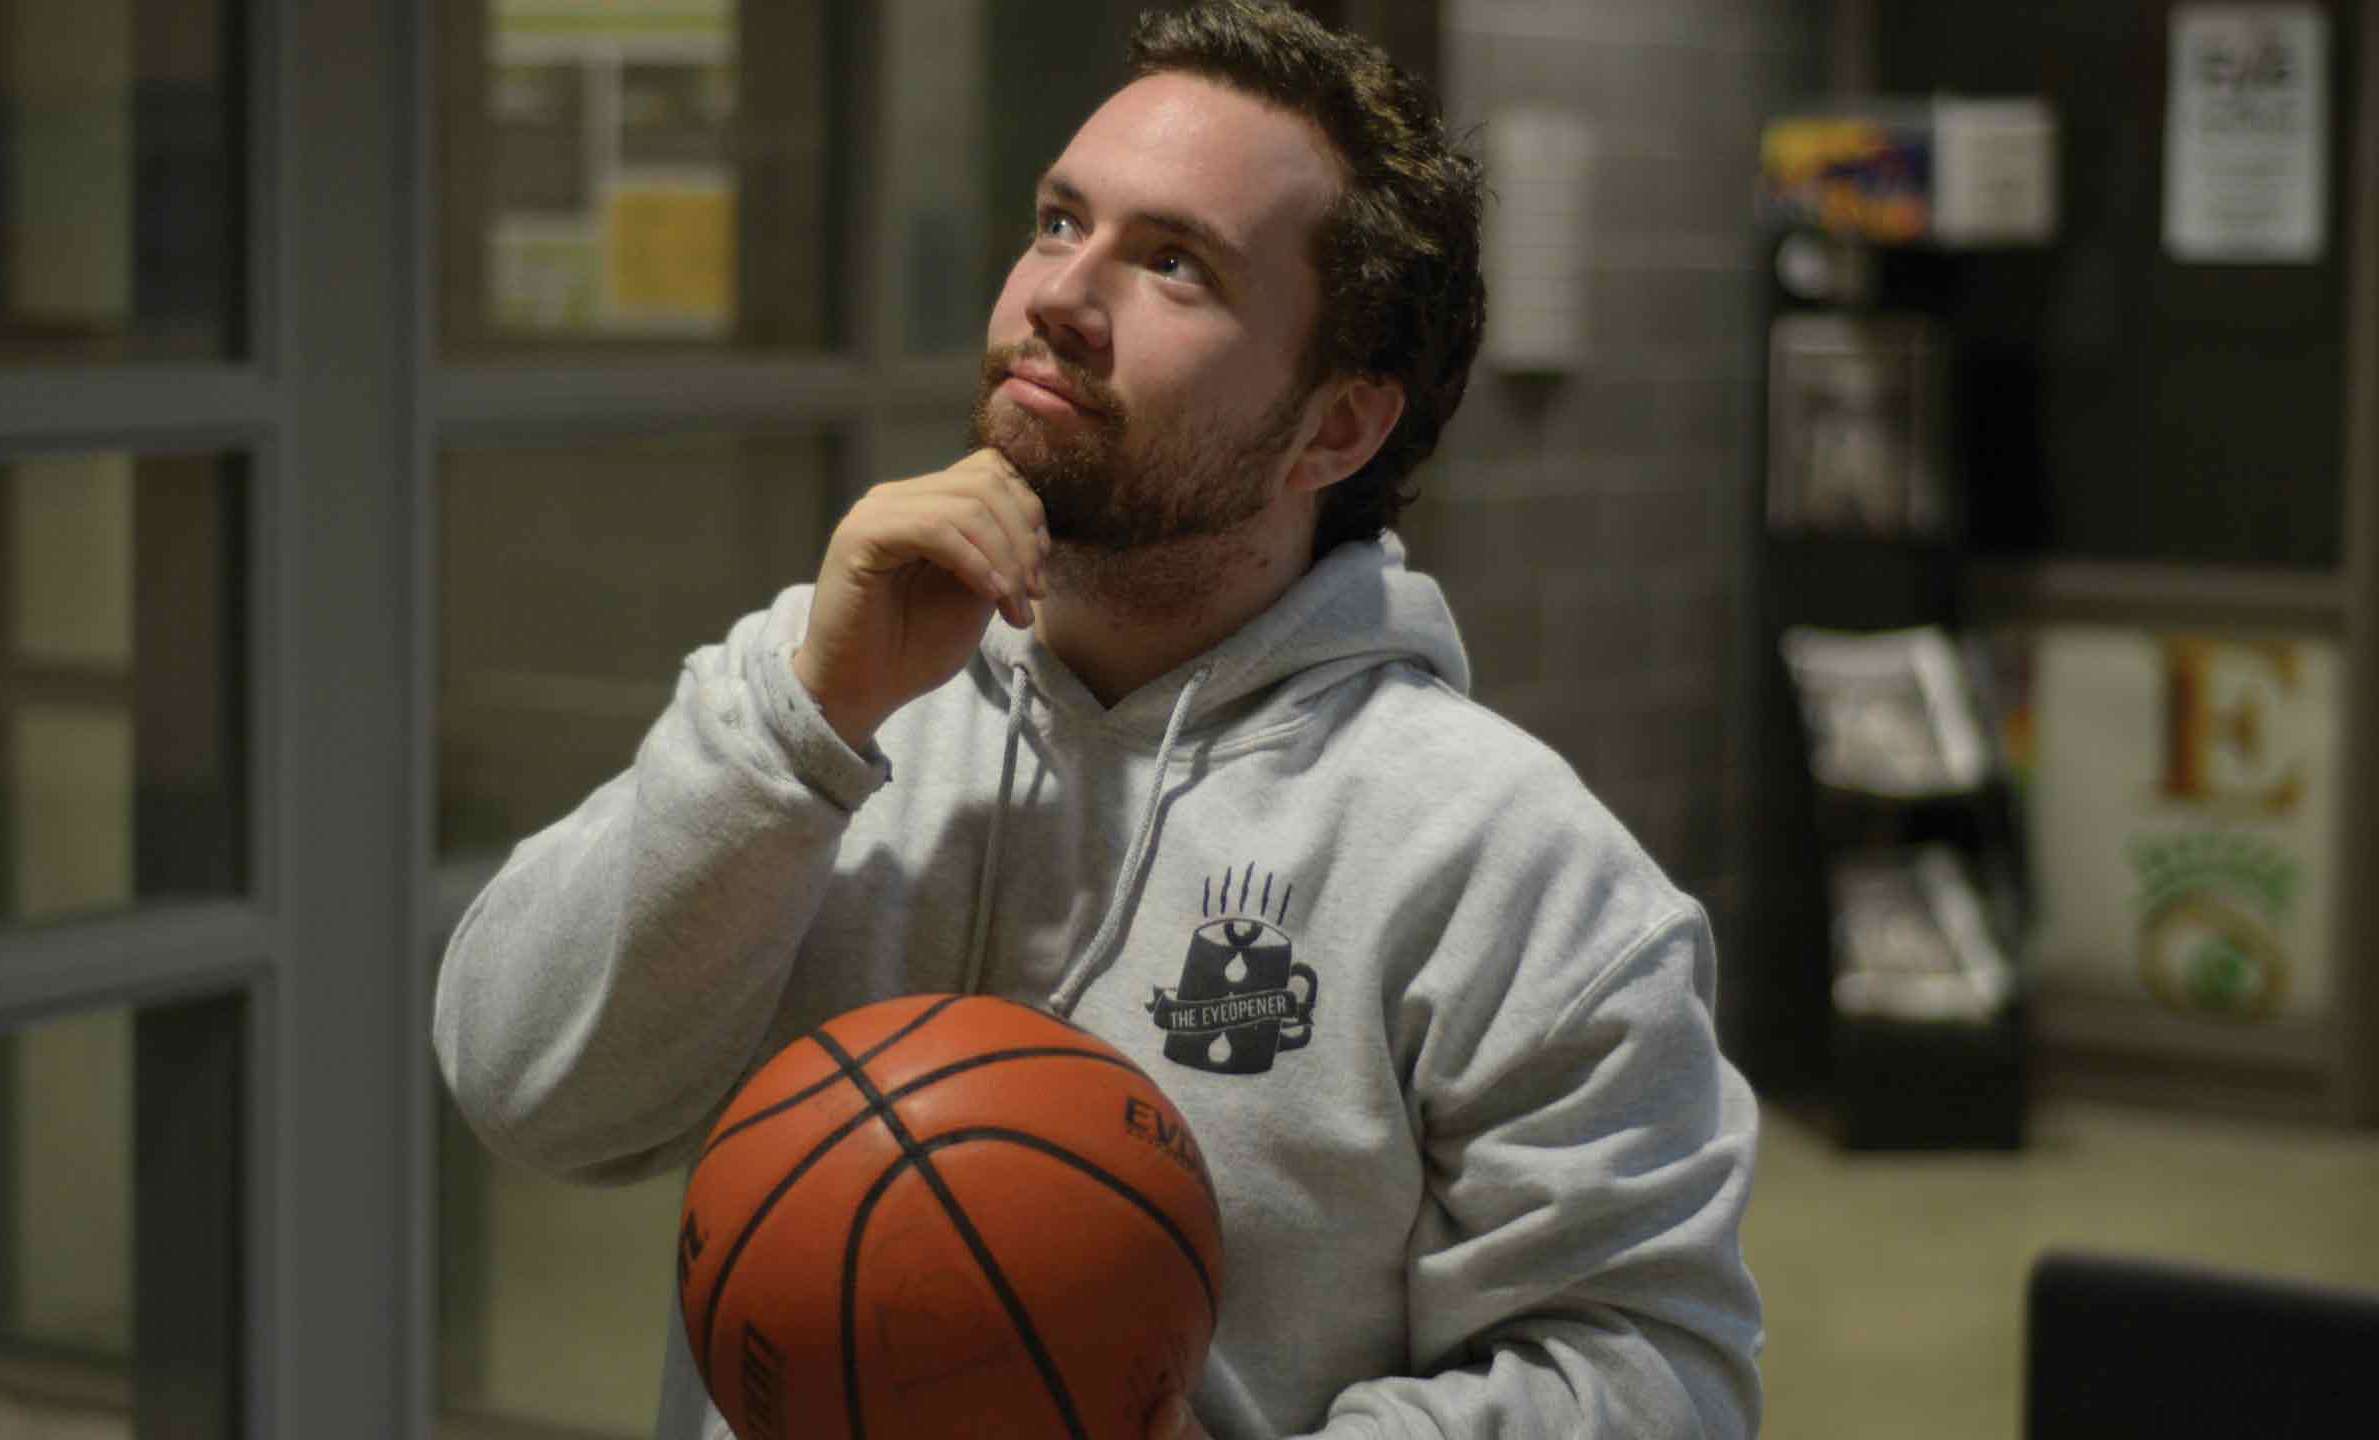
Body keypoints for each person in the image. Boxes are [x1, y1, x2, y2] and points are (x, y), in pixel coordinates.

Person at [433, 4, 1764, 1437]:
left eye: (1173, 263)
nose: (1060, 295)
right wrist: (806, 723)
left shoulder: (1509, 866)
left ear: (1337, 428)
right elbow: (521, 1083)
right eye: (1059, 220)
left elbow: (1654, 1375)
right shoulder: (826, 696)